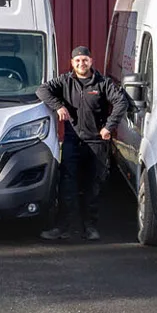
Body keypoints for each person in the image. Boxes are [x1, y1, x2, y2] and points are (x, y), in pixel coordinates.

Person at [36, 46, 130, 242]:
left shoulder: (103, 83)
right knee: (67, 186)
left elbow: (121, 102)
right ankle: (62, 228)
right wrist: (59, 106)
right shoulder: (65, 81)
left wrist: (109, 127)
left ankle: (90, 227)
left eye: (85, 60)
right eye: (77, 60)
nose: (81, 64)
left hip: (96, 142)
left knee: (92, 186)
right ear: (72, 63)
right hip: (72, 141)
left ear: (91, 61)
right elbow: (42, 90)